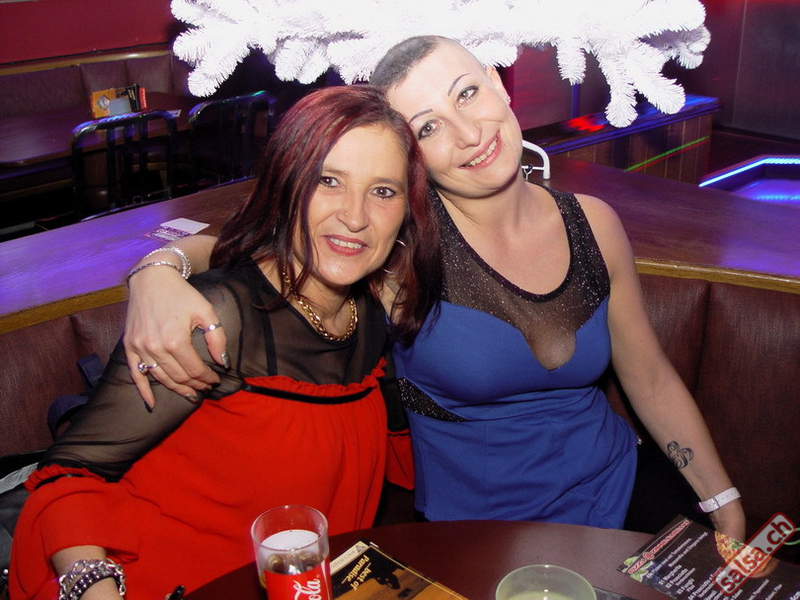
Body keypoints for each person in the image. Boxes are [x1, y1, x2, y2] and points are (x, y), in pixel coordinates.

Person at [119, 37, 746, 542]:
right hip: (479, 534)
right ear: (409, 156)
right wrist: (157, 271)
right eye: (428, 127)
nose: (469, 133)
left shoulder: (594, 224)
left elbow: (650, 377)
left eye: (468, 93)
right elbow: (258, 237)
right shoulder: (395, 248)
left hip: (624, 486)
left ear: (499, 84)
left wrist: (722, 499)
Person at [9, 85, 440, 600]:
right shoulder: (214, 320)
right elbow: (71, 476)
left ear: (407, 210)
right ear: (286, 184)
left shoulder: (369, 310)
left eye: (383, 191)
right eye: (328, 181)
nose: (355, 216)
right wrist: (95, 590)